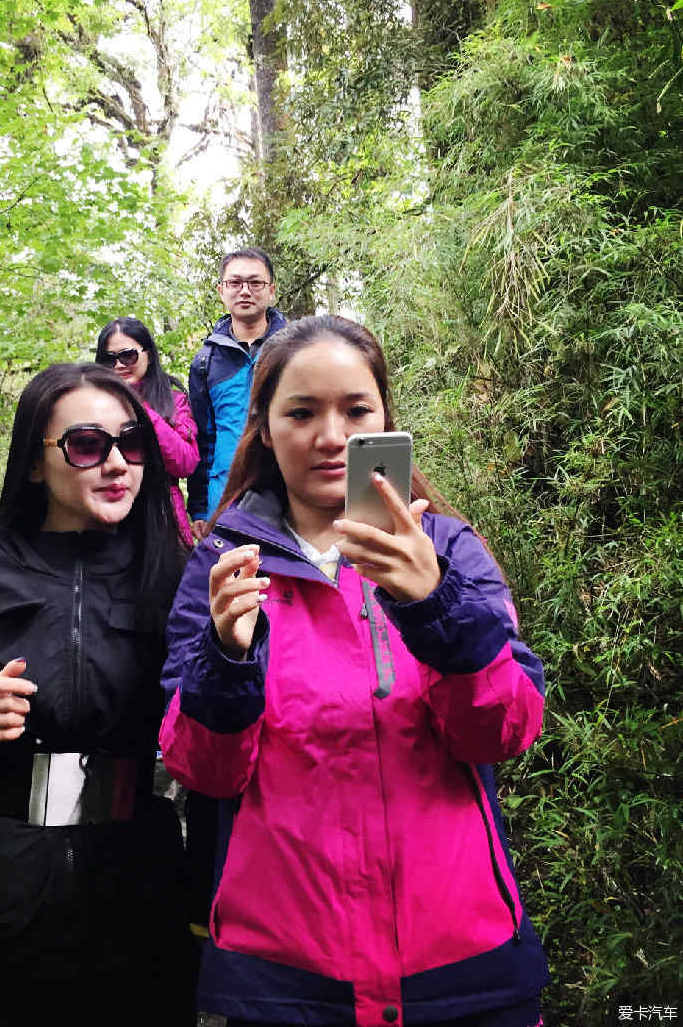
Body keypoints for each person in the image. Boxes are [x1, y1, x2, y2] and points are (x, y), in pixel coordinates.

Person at [159, 315, 550, 1027]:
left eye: (355, 409)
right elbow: (204, 773)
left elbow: (505, 729)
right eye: (301, 412)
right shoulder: (221, 568)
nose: (330, 436)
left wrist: (436, 606)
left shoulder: (447, 551)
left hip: (461, 966)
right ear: (266, 430)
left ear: (385, 419)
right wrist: (226, 659)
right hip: (284, 976)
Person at [0, 363, 195, 1027]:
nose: (117, 464)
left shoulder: (173, 576)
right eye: (87, 444)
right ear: (34, 462)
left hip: (138, 886)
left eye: (132, 444)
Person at [187, 246, 287, 542]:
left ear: (271, 291)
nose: (245, 291)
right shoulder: (205, 361)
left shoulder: (296, 350)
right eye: (235, 283)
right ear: (221, 290)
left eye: (255, 283)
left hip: (288, 490)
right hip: (226, 498)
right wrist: (200, 509)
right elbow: (203, 439)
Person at [95, 316, 199, 547]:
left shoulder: (175, 402)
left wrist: (142, 409)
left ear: (148, 355)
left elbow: (185, 463)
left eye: (128, 355)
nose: (119, 365)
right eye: (108, 359)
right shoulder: (93, 405)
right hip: (110, 517)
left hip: (164, 519)